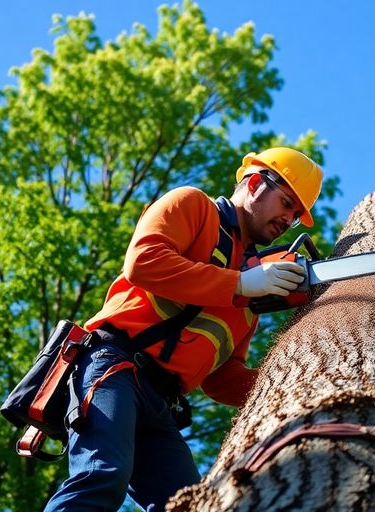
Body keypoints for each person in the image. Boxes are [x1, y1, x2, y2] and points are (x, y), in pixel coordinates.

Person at [43, 147, 324, 511]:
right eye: (286, 203)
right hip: (113, 364)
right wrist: (240, 284)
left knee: (189, 506)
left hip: (161, 403)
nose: (288, 219)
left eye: (296, 216)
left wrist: (285, 383)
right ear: (255, 183)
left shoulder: (252, 295)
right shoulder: (193, 206)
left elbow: (220, 380)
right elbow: (143, 262)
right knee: (102, 475)